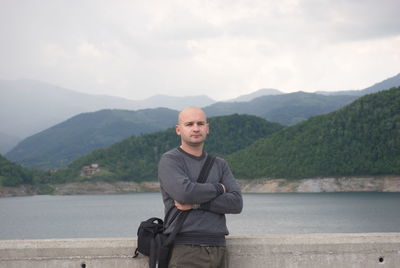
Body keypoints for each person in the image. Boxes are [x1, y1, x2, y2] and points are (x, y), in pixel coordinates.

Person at [158, 106, 243, 268]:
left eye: (200, 123)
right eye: (189, 124)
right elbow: (185, 193)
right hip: (186, 247)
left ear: (207, 128)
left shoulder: (220, 164)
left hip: (219, 247)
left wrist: (197, 204)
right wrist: (219, 188)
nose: (196, 128)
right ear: (178, 130)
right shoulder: (170, 160)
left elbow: (236, 203)